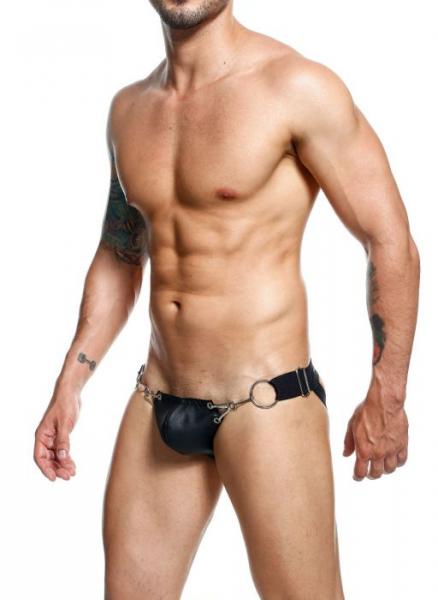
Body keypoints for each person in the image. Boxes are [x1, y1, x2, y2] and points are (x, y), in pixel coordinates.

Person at [33, 1, 420, 598]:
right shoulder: (128, 110)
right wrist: (71, 382)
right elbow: (120, 254)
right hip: (158, 398)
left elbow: (389, 239)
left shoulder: (296, 88)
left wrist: (387, 396)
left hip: (266, 402)